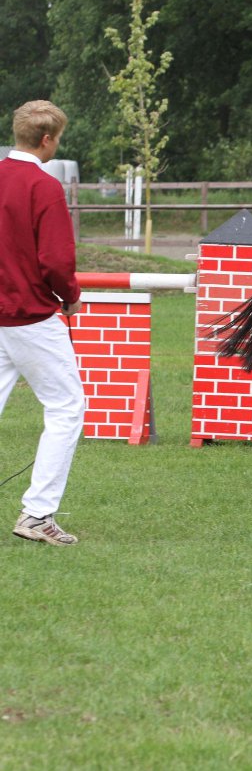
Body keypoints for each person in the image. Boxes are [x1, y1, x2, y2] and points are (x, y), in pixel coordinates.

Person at [0, 100, 84, 545]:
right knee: (67, 407)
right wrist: (70, 296)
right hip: (30, 315)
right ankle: (37, 514)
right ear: (48, 139)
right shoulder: (43, 186)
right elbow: (55, 260)